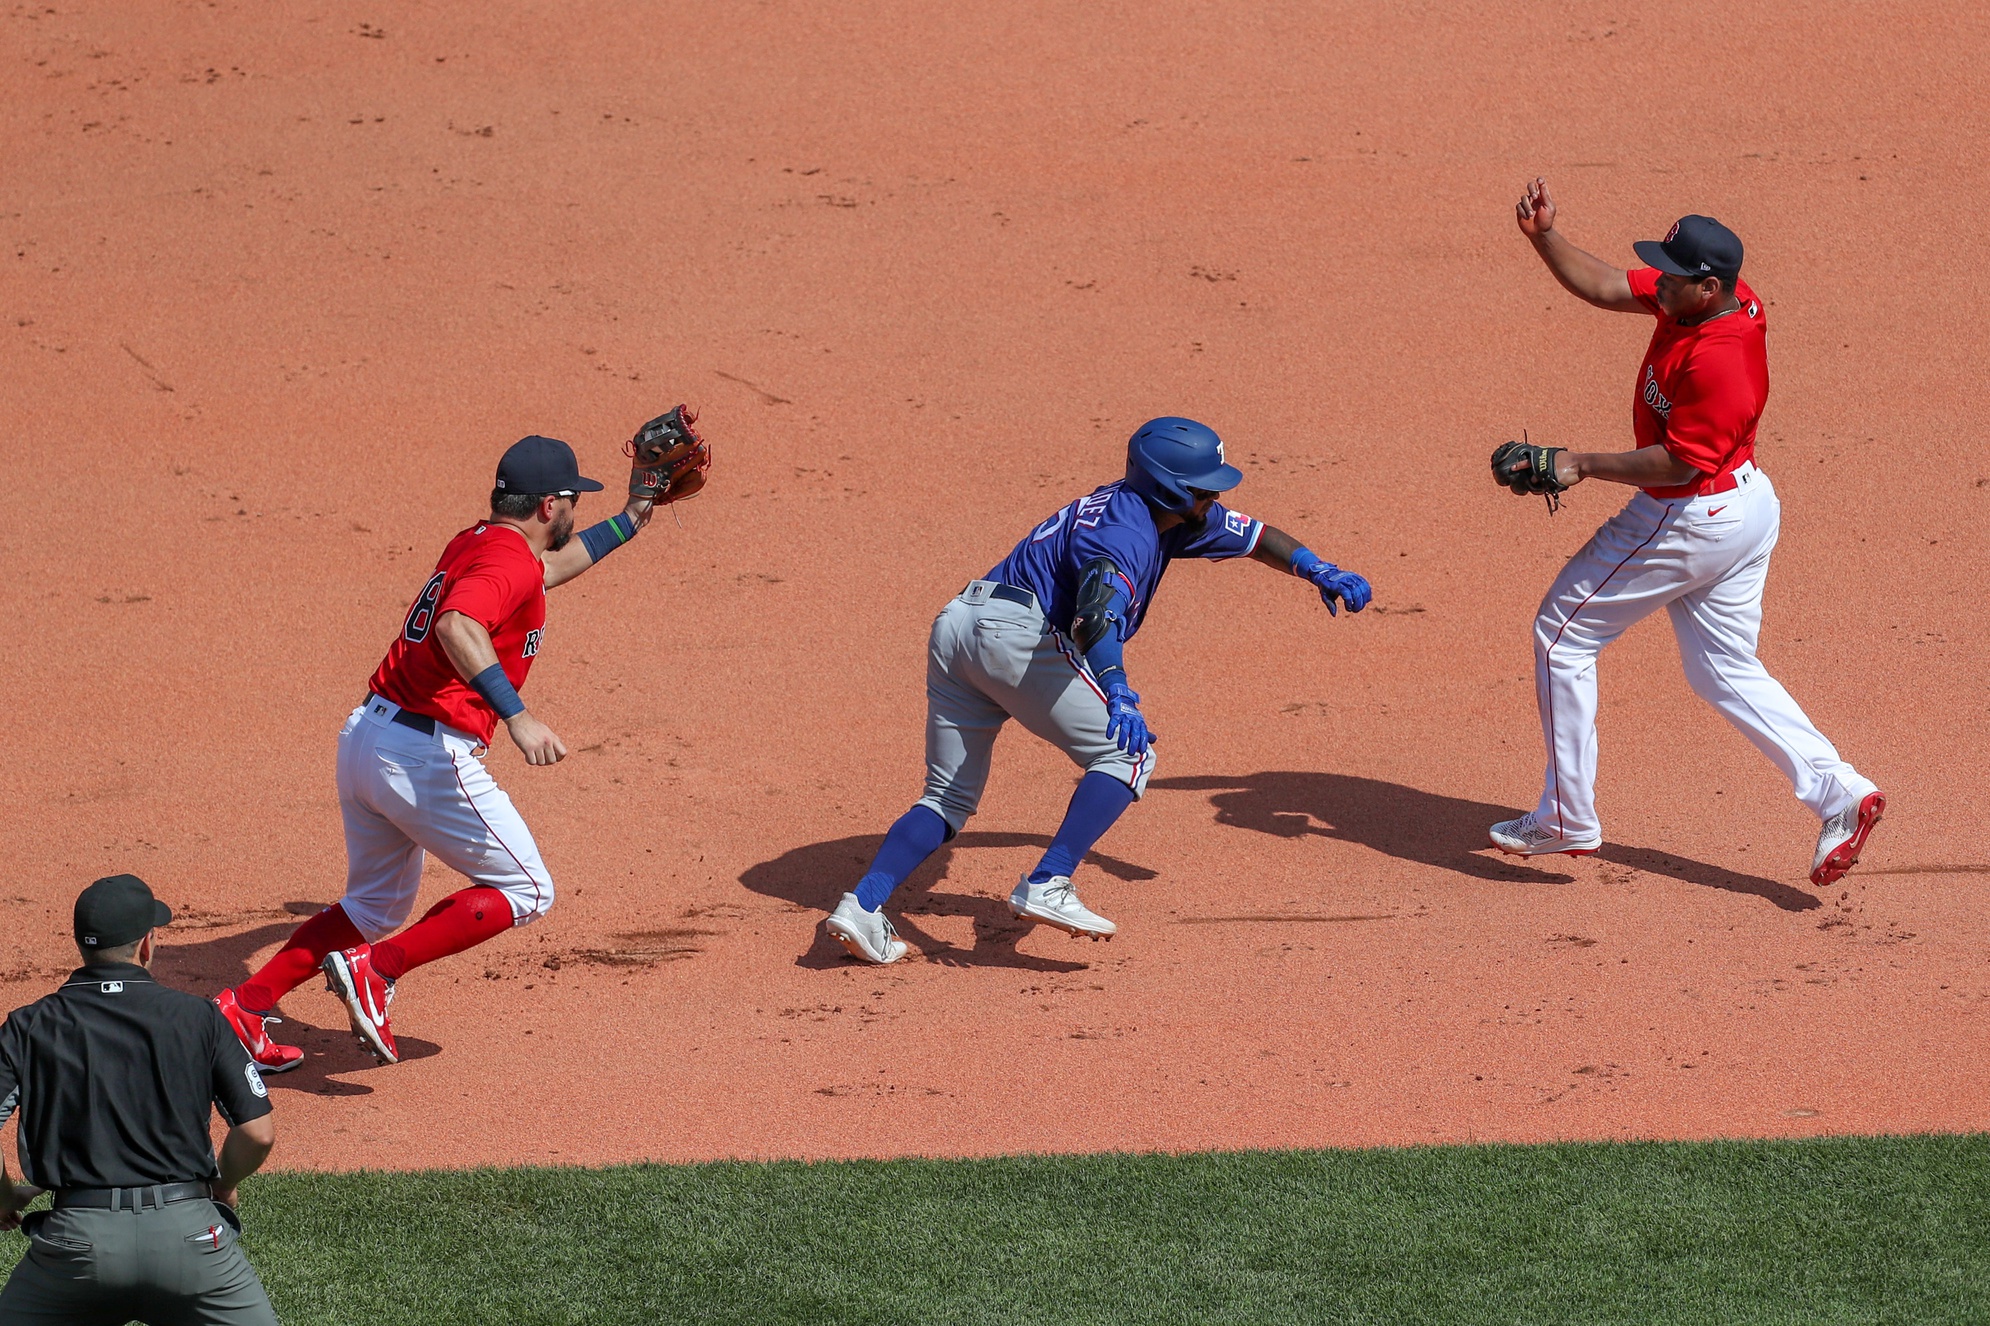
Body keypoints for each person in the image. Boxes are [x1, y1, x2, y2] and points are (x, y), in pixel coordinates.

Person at [214, 412, 710, 1068]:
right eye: (573, 502)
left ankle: (244, 1007)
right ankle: (375, 970)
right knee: (526, 889)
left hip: (369, 739)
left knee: (373, 904)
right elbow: (457, 625)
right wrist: (518, 717)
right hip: (422, 754)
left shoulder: (482, 543)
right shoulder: (505, 561)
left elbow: (548, 569)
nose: (573, 512)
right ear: (549, 505)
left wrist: (634, 515)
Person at [825, 417, 1373, 963]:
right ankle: (1049, 881)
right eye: (1204, 490)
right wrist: (1118, 692)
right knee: (1128, 755)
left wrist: (1316, 569)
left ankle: (862, 906)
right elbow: (1094, 618)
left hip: (959, 626)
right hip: (1013, 638)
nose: (1214, 498)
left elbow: (1254, 537)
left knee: (946, 798)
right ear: (1170, 488)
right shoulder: (1124, 536)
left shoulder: (1162, 512)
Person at [1490, 178, 1883, 885]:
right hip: (1742, 507)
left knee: (1562, 635)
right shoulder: (1700, 297)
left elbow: (1677, 463)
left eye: (1672, 277)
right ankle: (1842, 794)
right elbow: (1607, 284)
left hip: (1690, 516)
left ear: (1708, 288)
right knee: (1722, 667)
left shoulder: (1721, 359)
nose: (1658, 283)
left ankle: (1565, 816)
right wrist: (1546, 238)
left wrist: (1577, 463)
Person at [0, 874, 279, 1325]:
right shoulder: (200, 1018)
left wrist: (4, 1196)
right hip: (191, 1242)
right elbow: (258, 1133)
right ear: (147, 944)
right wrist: (223, 1183)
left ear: (80, 945)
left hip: (75, 1248)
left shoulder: (28, 1025)